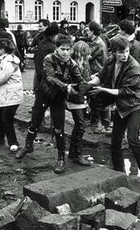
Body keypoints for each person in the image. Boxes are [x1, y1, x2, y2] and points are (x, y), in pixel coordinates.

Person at [87, 36, 140, 188]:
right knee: (115, 140)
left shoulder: (134, 67)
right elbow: (102, 76)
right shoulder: (110, 61)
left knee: (132, 138)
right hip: (121, 104)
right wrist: (89, 83)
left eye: (127, 51)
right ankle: (118, 171)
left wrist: (103, 90)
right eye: (121, 52)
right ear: (114, 52)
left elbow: (126, 91)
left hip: (134, 104)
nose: (125, 55)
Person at [16, 35, 84, 173]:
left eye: (68, 49)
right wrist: (66, 86)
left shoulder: (72, 64)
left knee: (59, 128)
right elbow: (49, 77)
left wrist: (88, 86)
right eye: (62, 49)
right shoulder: (49, 59)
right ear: (56, 49)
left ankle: (61, 159)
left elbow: (80, 80)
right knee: (34, 122)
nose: (65, 52)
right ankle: (28, 145)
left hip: (58, 97)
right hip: (44, 94)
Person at [67, 40, 93, 166]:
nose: (87, 57)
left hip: (81, 98)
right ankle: (77, 155)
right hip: (75, 98)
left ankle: (73, 153)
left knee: (79, 126)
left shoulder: (83, 64)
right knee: (81, 125)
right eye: (85, 55)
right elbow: (79, 83)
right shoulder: (72, 65)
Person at [86, 21, 111, 134]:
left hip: (98, 73)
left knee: (99, 99)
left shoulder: (97, 43)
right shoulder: (96, 41)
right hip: (95, 72)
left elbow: (88, 56)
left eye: (88, 30)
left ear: (92, 31)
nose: (86, 32)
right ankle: (94, 121)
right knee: (93, 98)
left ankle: (104, 124)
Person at [32, 24, 58, 92]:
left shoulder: (42, 44)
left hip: (40, 74)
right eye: (57, 36)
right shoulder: (51, 47)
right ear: (52, 36)